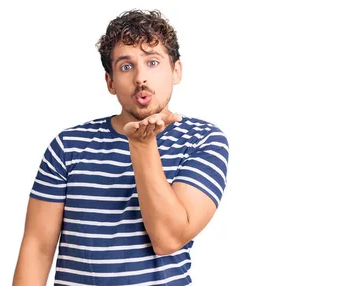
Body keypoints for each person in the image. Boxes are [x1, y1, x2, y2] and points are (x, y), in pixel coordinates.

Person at [12, 9, 229, 286]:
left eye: (152, 62)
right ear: (110, 82)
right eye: (126, 66)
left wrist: (142, 145)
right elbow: (38, 247)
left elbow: (168, 239)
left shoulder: (202, 140)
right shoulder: (67, 145)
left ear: (176, 71)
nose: (141, 77)